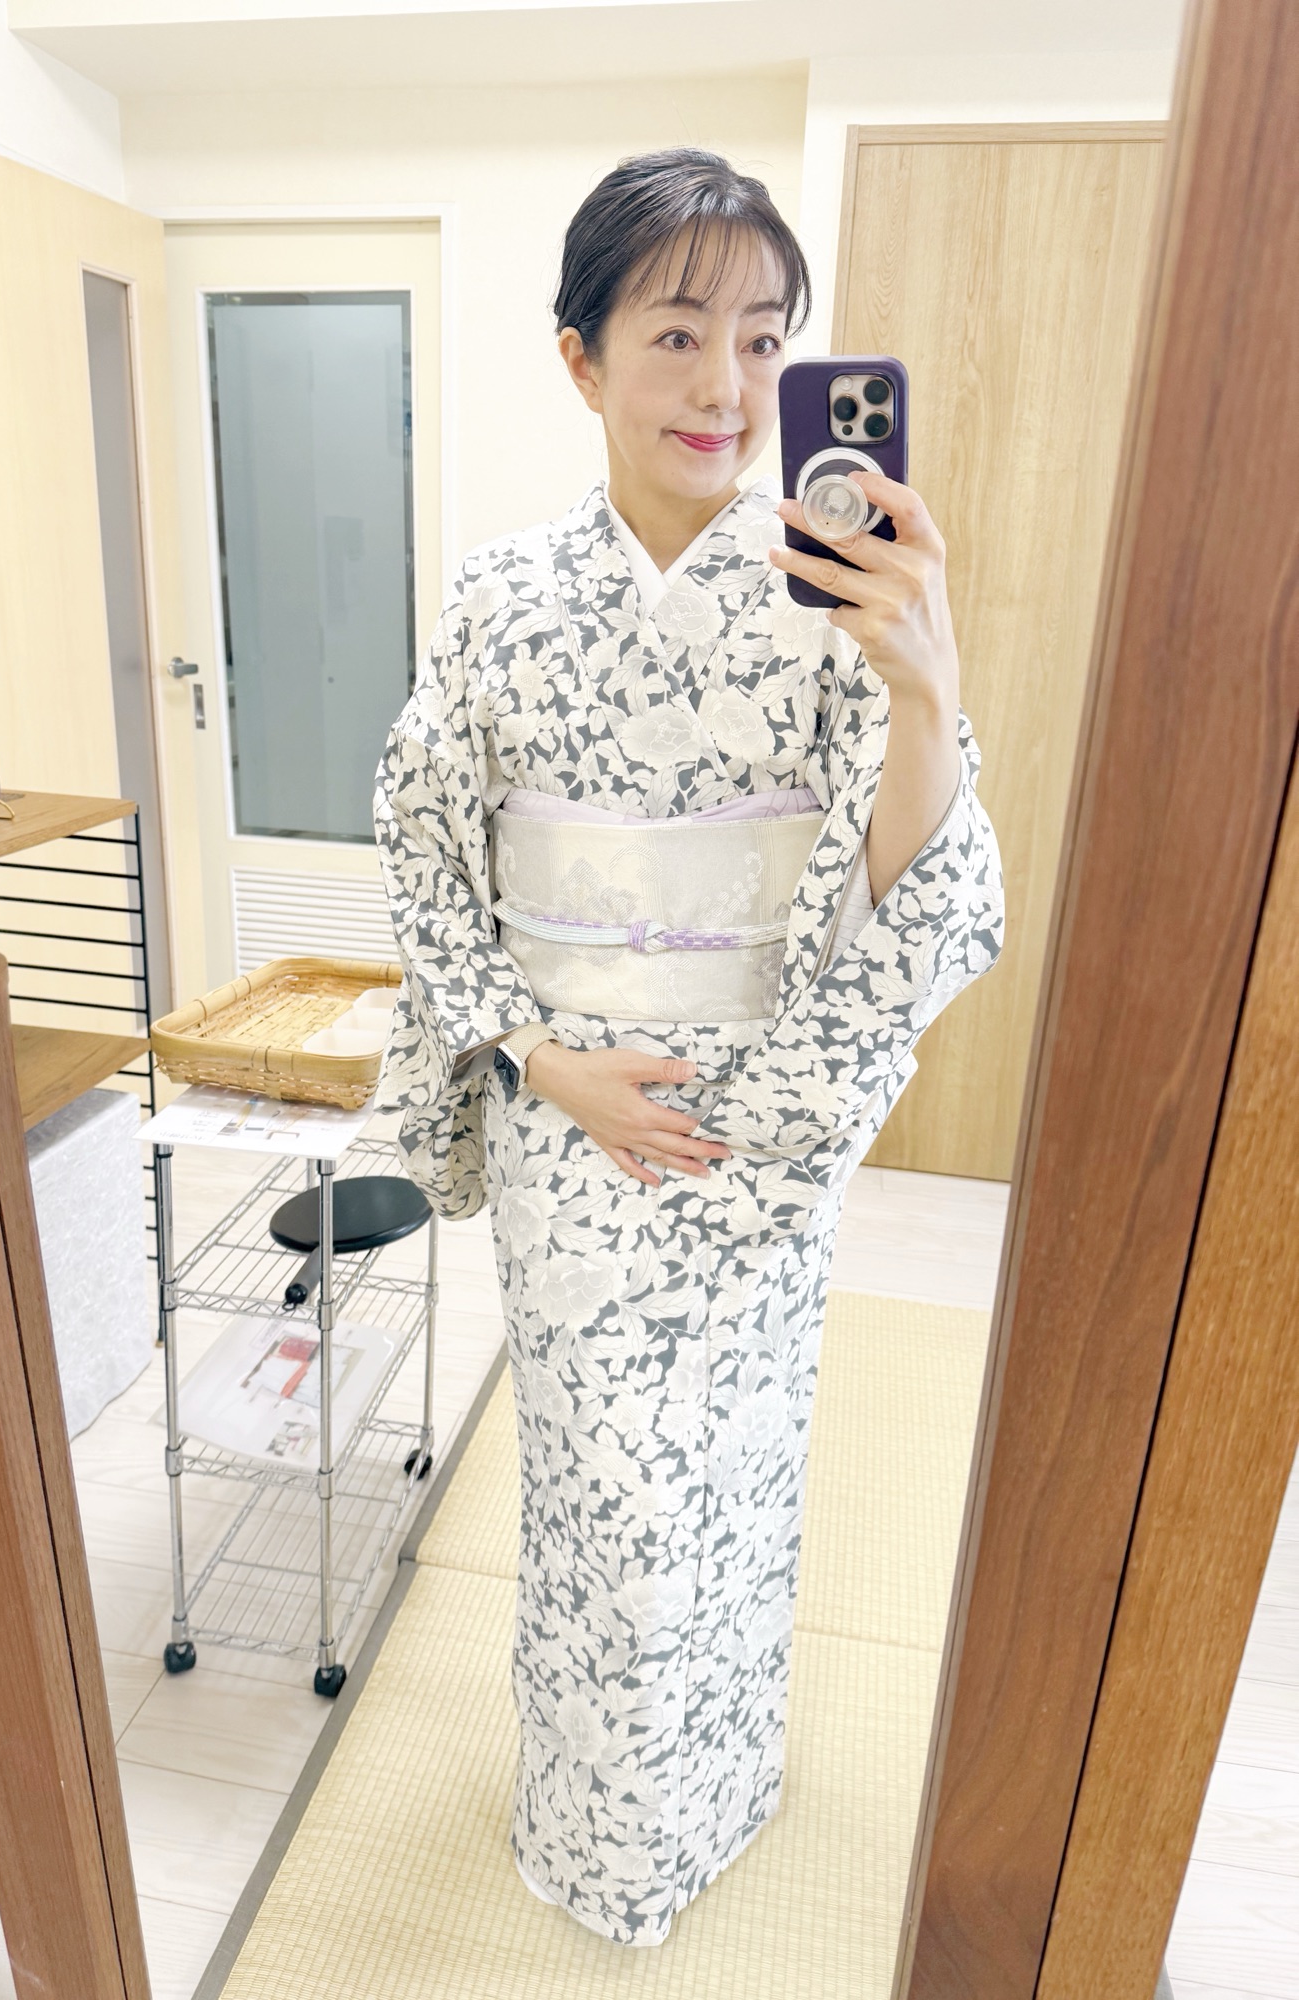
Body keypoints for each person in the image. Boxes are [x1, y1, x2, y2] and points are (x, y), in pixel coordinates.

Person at [373, 147, 1004, 1949]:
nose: (726, 385)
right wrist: (532, 1058)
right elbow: (422, 840)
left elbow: (919, 887)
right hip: (572, 1128)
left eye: (764, 337)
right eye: (675, 334)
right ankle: (593, 1833)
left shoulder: (829, 591)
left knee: (731, 1482)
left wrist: (927, 685)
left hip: (757, 1129)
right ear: (581, 359)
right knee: (600, 1500)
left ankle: (712, 1794)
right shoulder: (500, 599)